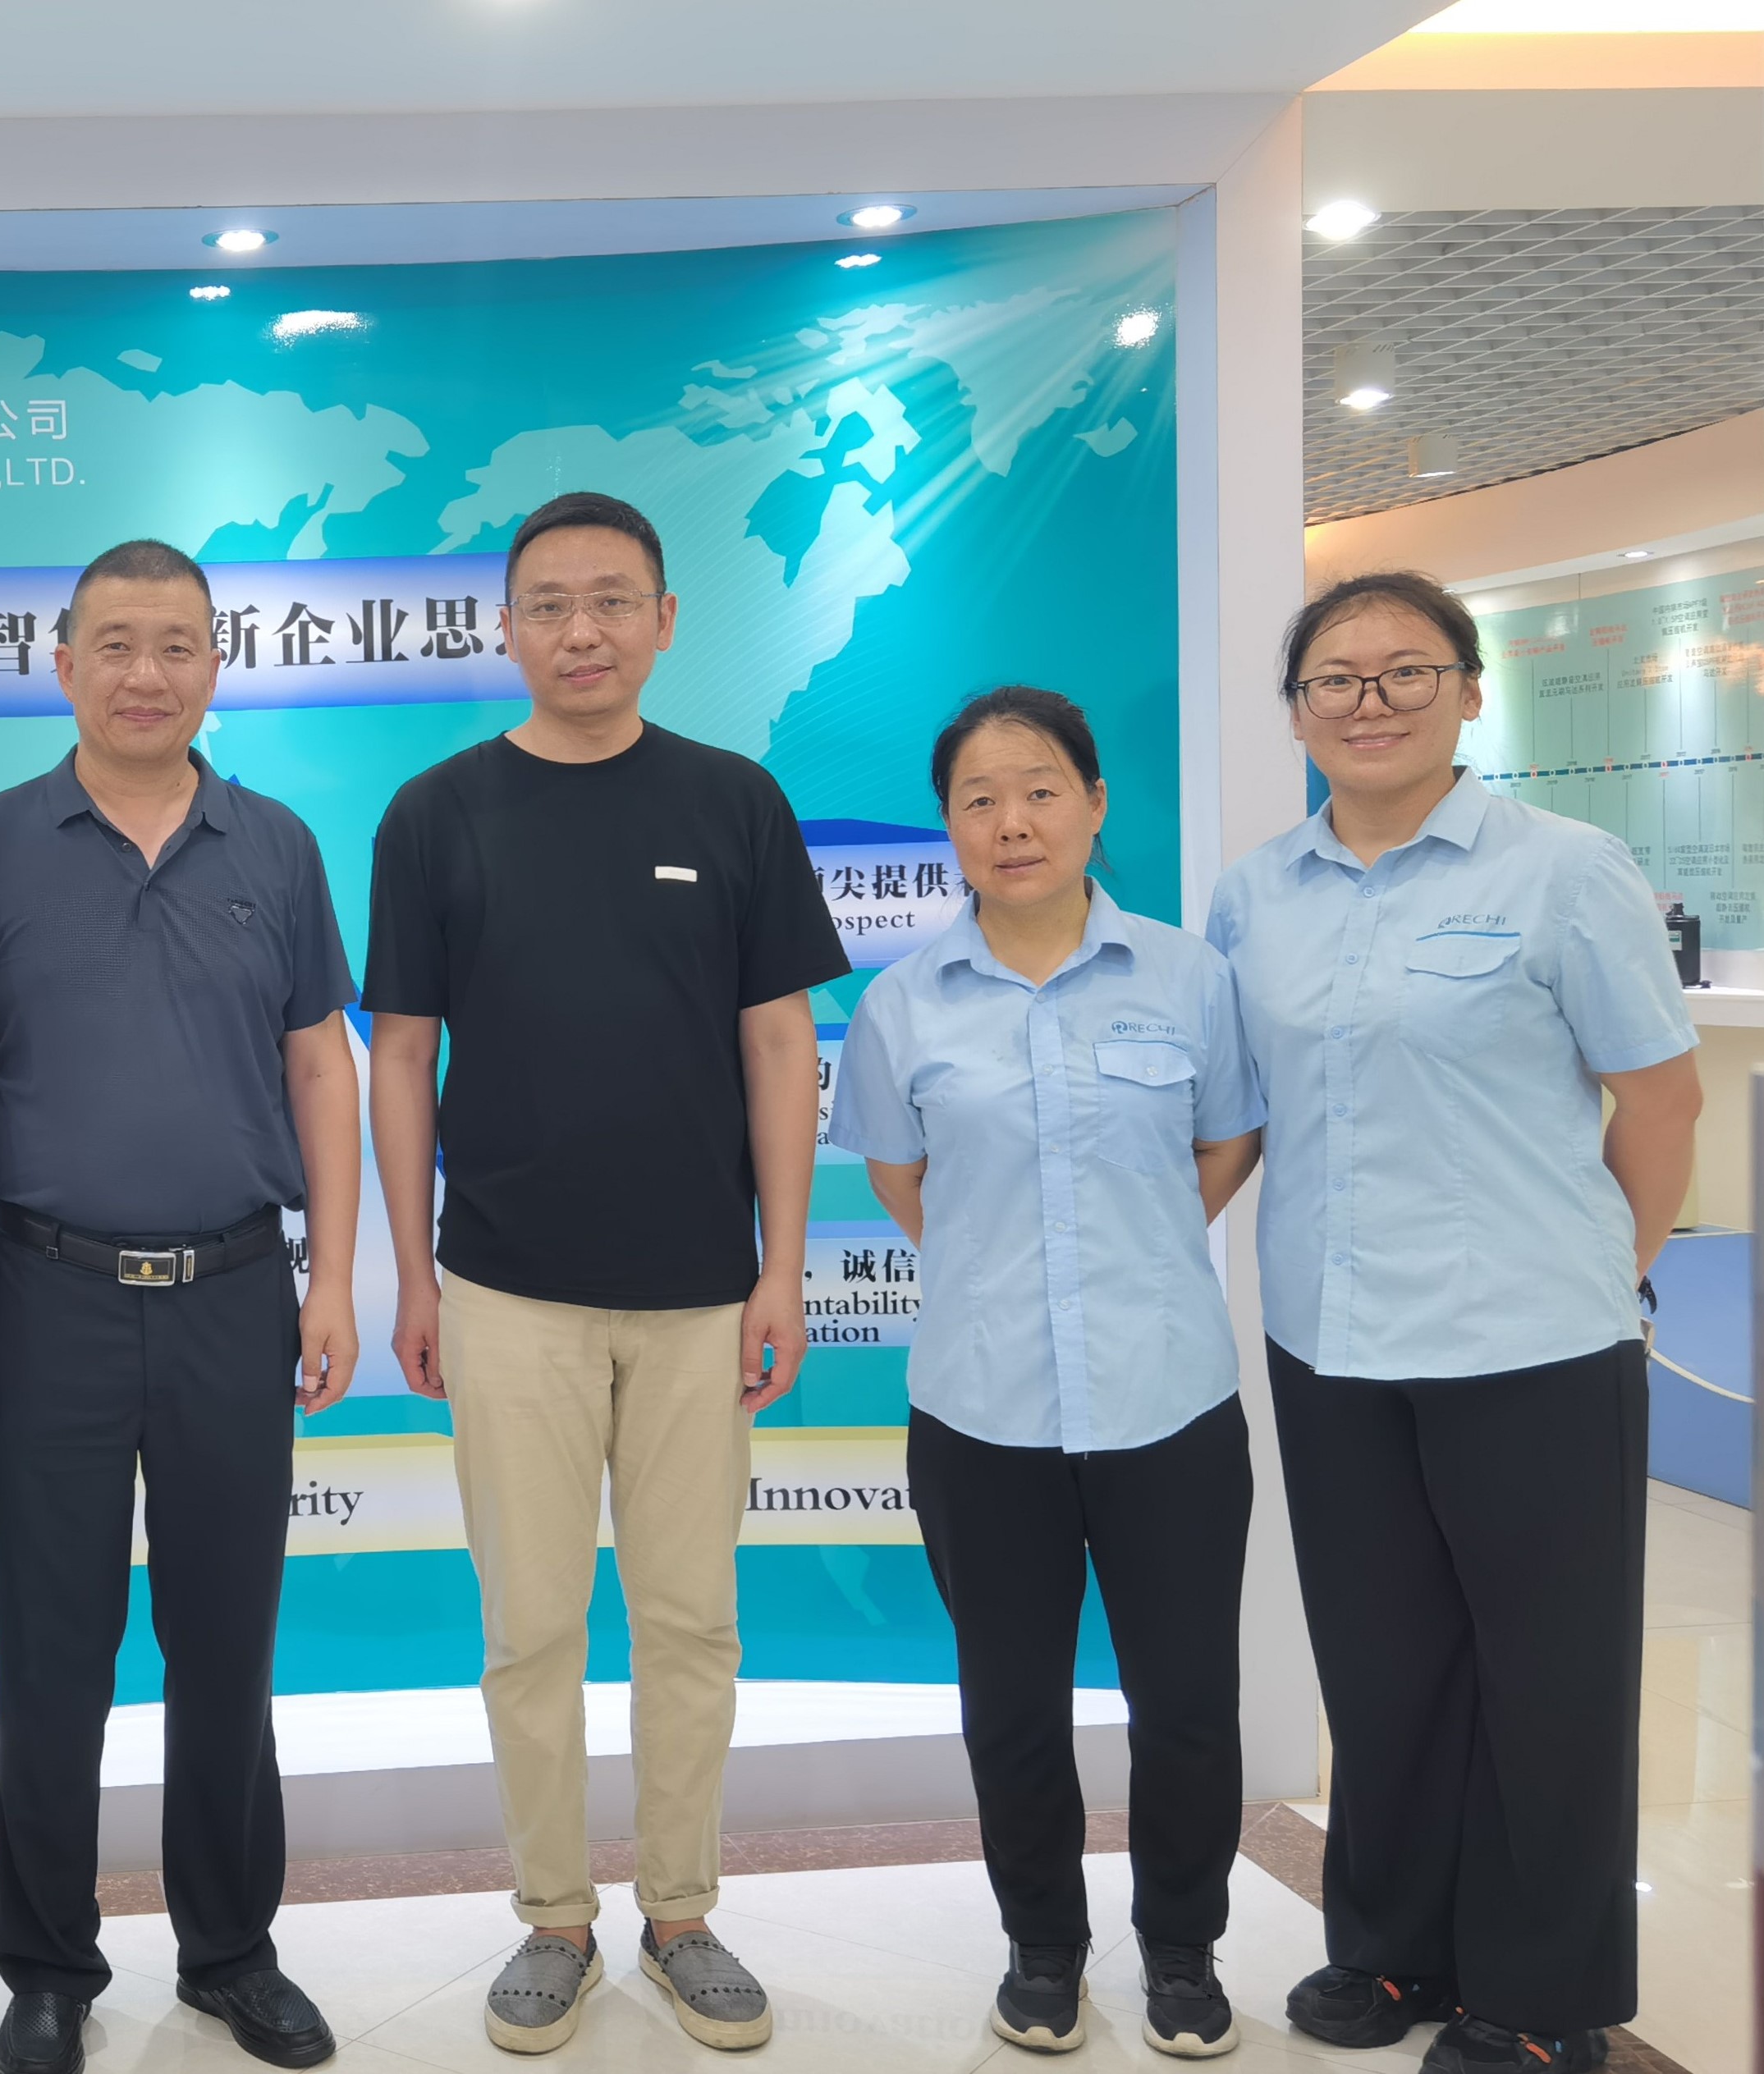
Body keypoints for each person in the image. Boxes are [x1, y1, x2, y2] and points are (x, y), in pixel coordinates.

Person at [365, 491, 848, 2055]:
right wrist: (414, 1274)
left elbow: (777, 1042)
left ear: (663, 621)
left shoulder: (732, 802)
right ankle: (554, 1918)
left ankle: (683, 1912)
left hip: (702, 1291)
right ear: (505, 628)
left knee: (691, 1619)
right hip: (506, 1288)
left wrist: (783, 1269)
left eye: (611, 601)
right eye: (550, 604)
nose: (581, 630)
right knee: (529, 1627)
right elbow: (402, 1056)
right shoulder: (435, 813)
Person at [1206, 572, 1698, 2074]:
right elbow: (1244, 1113)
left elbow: (1658, 1101)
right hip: (1331, 1341)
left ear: (1468, 692)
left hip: (1528, 1344)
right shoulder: (1254, 894)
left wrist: (1606, 1272)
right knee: (1382, 1666)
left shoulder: (1565, 871)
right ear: (1296, 712)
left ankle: (1542, 1999)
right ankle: (1393, 1950)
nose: (1367, 702)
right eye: (1333, 680)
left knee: (1547, 1681)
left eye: (1404, 671)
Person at [0, 540, 364, 2074]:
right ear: (62, 665)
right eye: (114, 644)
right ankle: (48, 1967)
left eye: (175, 645)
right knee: (48, 1656)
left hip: (233, 1294)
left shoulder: (276, 845)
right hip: (41, 1294)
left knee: (225, 1646)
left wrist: (336, 1277)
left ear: (214, 665)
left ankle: (231, 1952)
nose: (144, 674)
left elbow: (319, 1065)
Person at [827, 688, 1263, 2060]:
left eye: (1037, 791)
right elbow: (902, 1179)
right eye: (978, 799)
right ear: (948, 826)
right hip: (982, 1409)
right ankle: (1042, 1950)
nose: (1009, 822)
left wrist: (1125, 1253)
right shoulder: (902, 1004)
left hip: (1166, 1398)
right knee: (1010, 1708)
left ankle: (1182, 1950)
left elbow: (1224, 1142)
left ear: (1092, 803)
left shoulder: (1188, 979)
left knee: (1184, 1705)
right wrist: (1011, 1266)